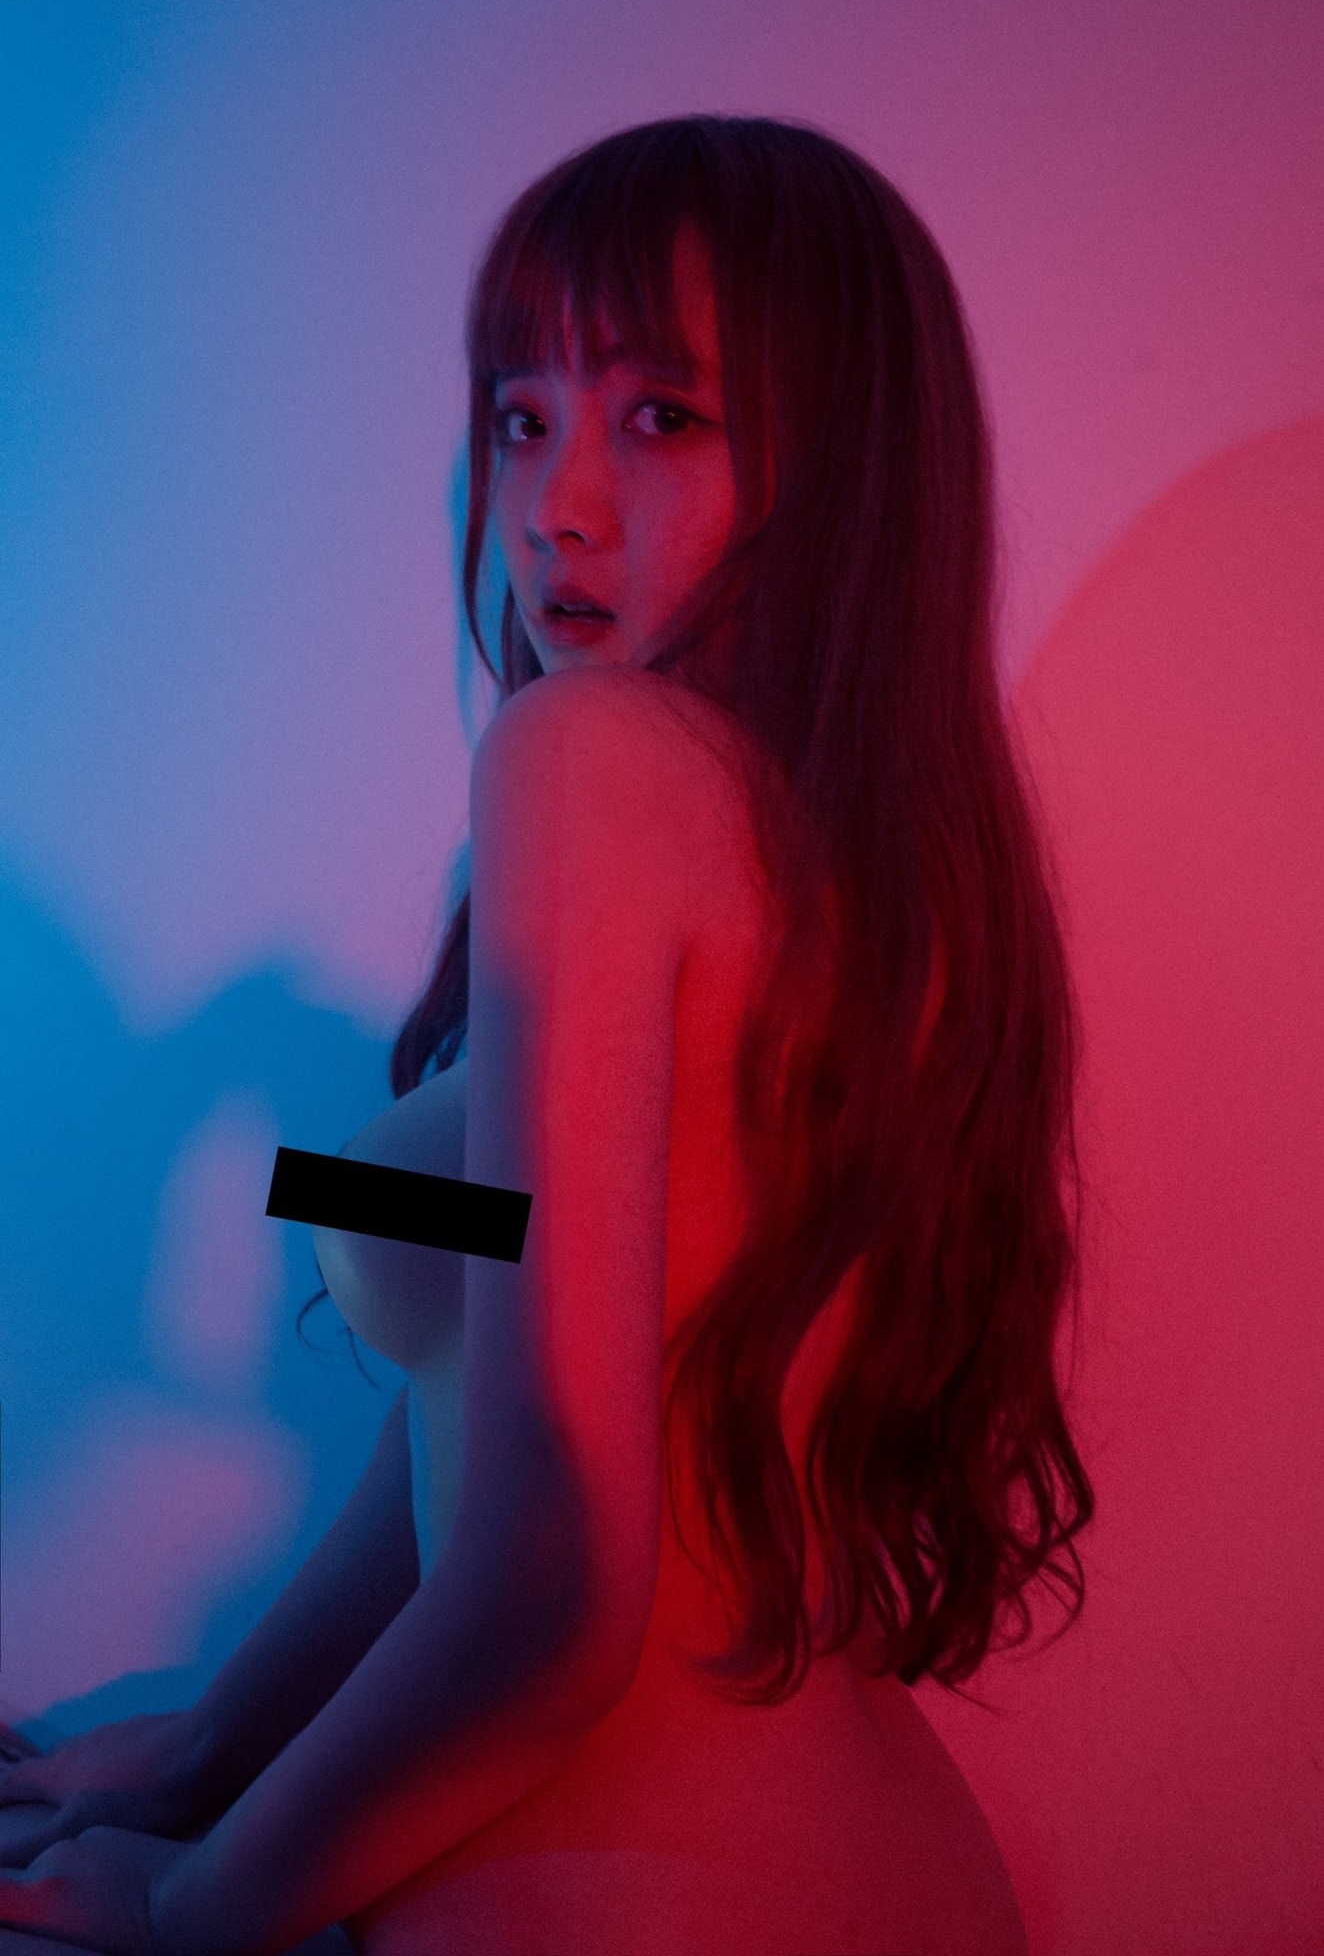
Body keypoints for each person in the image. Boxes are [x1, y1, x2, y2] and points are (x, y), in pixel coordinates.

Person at [0, 113, 1093, 1954]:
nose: (556, 502)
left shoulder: (587, 763)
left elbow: (555, 1581)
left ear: (843, 469)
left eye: (662, 415)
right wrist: (200, 1757)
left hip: (637, 1896)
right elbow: (479, 1374)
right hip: (861, 1871)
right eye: (520, 415)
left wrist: (198, 1907)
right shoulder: (868, 879)